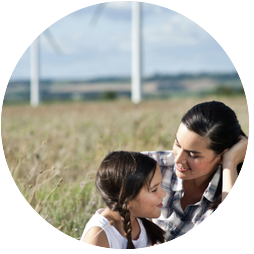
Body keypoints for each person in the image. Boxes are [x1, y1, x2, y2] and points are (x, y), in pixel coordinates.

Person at [142, 101, 249, 241]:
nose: (178, 159)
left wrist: (230, 162)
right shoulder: (147, 167)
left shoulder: (230, 181)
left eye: (193, 155)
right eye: (177, 144)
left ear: (222, 155)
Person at [80, 151, 166, 249]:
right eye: (154, 189)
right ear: (128, 201)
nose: (163, 193)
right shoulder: (99, 234)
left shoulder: (142, 218)